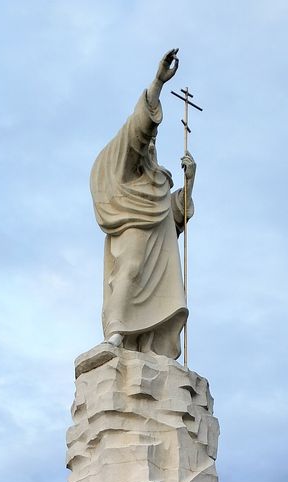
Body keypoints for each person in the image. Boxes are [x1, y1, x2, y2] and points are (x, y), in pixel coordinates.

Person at [90, 48, 195, 359]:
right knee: (130, 270)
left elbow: (175, 217)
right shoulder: (127, 177)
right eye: (146, 142)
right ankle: (116, 334)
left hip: (158, 244)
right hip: (134, 226)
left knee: (153, 281)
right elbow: (138, 128)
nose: (149, 146)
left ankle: (151, 349)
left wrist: (189, 181)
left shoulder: (159, 181)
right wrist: (158, 83)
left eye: (152, 144)